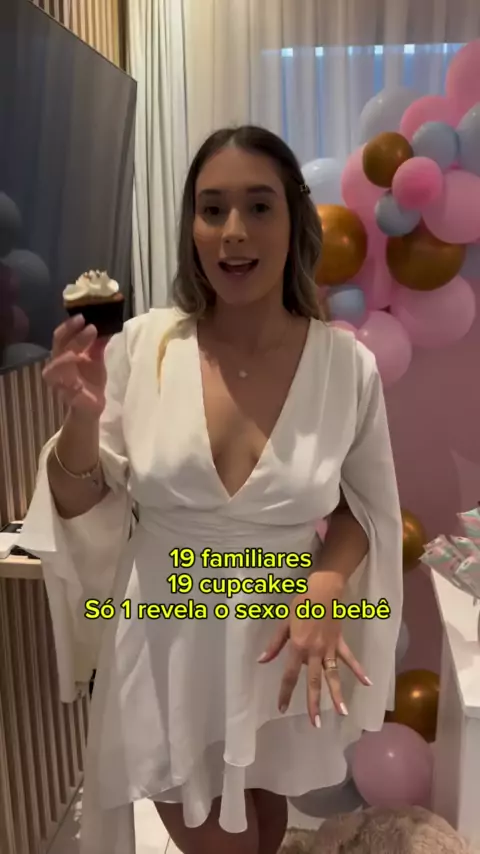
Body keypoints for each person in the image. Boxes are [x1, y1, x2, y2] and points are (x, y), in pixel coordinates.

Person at [19, 125, 403, 854]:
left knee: (265, 824)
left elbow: (365, 511)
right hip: (168, 644)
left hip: (277, 638)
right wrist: (83, 416)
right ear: (191, 225)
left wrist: (325, 586)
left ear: (294, 220)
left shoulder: (344, 369)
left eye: (258, 206)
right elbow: (76, 503)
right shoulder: (145, 348)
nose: (233, 232)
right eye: (212, 208)